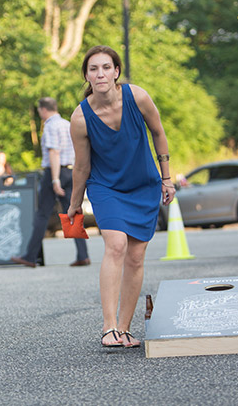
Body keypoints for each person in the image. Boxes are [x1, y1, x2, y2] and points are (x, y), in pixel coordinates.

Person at [67, 46, 175, 348]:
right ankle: (108, 326)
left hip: (144, 184)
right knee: (116, 245)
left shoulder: (137, 97)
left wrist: (167, 178)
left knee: (137, 256)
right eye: (93, 69)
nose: (99, 74)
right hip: (106, 187)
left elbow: (159, 133)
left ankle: (125, 329)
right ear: (87, 75)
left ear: (116, 71)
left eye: (105, 67)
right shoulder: (80, 118)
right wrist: (75, 204)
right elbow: (82, 166)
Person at [11, 97, 90, 268]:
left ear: (43, 110)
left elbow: (54, 153)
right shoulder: (67, 124)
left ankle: (30, 256)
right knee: (72, 213)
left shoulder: (50, 126)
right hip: (71, 170)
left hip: (55, 172)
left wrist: (55, 180)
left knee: (42, 215)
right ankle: (83, 254)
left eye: (39, 110)